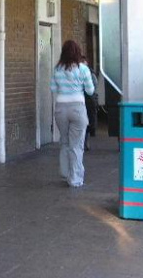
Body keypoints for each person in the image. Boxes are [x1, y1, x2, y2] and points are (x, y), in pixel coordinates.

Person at [50, 40, 95, 187]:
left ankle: (64, 173)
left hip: (60, 108)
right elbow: (90, 90)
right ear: (77, 53)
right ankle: (75, 179)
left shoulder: (57, 69)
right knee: (76, 145)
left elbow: (53, 89)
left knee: (64, 141)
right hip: (77, 108)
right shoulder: (83, 69)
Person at [80, 56, 99, 151]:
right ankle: (84, 142)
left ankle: (85, 141)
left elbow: (94, 88)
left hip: (88, 101)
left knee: (87, 123)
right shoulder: (88, 73)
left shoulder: (91, 74)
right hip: (84, 101)